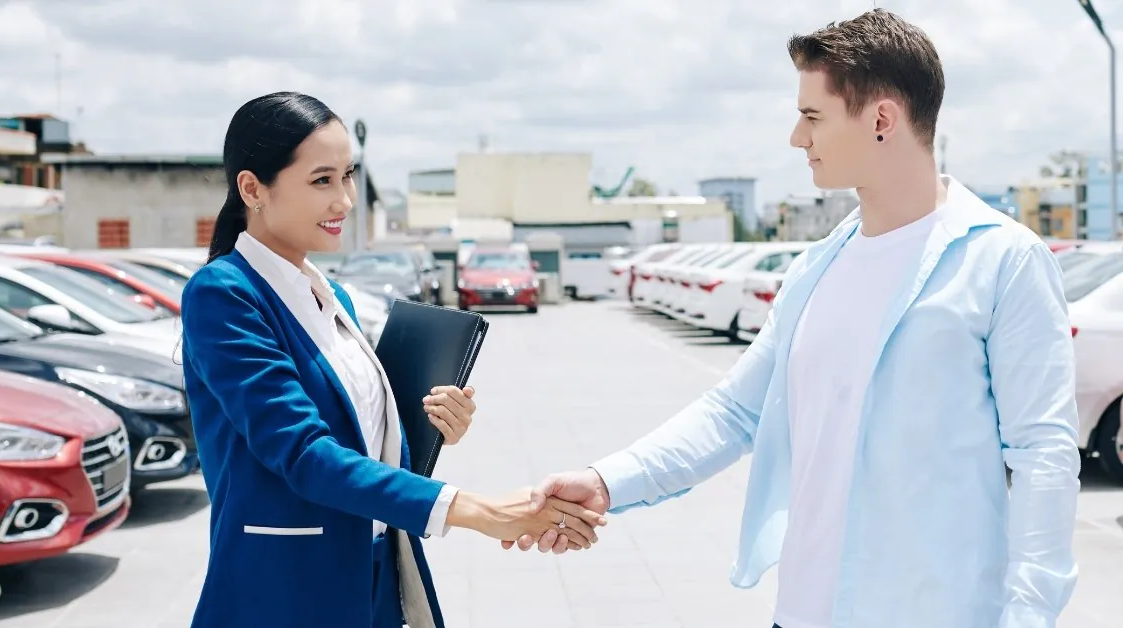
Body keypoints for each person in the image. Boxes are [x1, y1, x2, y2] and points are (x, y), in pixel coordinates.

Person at [512, 10, 1080, 628]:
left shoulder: (1004, 261)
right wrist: (606, 480)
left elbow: (1042, 455)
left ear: (882, 119)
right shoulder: (817, 267)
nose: (796, 137)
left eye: (812, 116)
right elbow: (735, 410)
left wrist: (1029, 617)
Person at [179, 92, 606, 628]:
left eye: (348, 175)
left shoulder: (334, 297)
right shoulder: (224, 294)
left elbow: (362, 443)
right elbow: (303, 453)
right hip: (286, 589)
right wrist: (482, 511)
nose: (345, 200)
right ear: (252, 188)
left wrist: (428, 427)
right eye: (322, 180)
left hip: (376, 580)